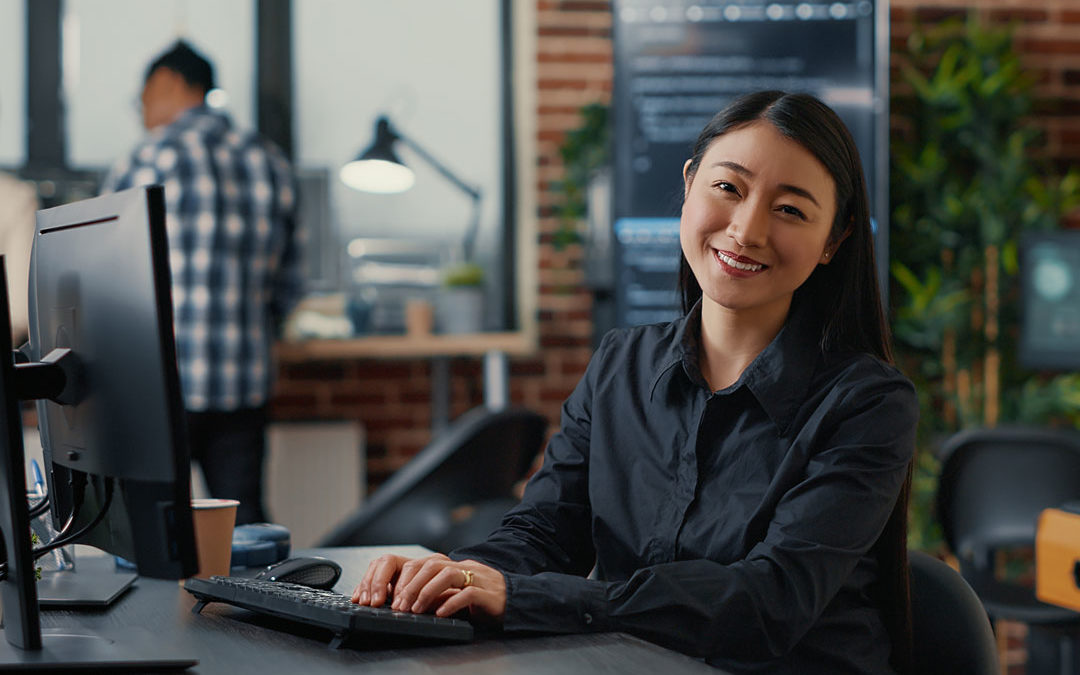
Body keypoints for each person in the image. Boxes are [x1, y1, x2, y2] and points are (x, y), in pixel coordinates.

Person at [351, 90, 918, 673]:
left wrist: (525, 599)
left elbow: (768, 603)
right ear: (689, 183)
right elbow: (547, 530)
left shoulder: (868, 405)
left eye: (790, 209)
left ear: (835, 240)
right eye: (728, 188)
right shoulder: (622, 363)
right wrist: (456, 578)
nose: (747, 230)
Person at [101, 40, 304, 525]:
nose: (143, 113)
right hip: (243, 380)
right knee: (245, 527)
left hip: (159, 380)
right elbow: (291, 282)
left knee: (153, 528)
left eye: (143, 99)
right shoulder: (270, 161)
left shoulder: (145, 160)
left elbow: (106, 278)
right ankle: (254, 603)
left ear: (169, 83)